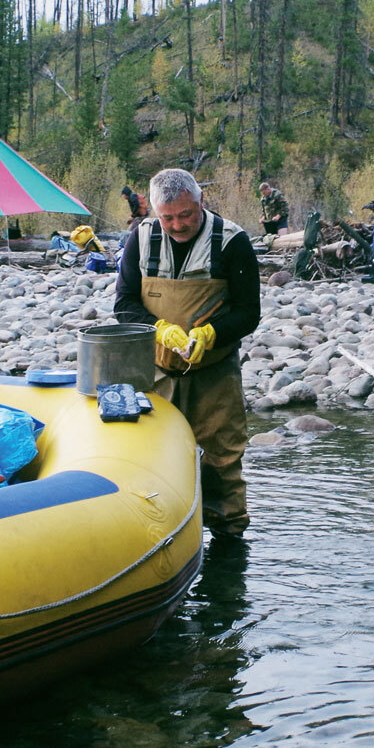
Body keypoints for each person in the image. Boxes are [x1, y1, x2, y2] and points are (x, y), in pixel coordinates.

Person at [114, 167, 261, 539]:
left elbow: (248, 312)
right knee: (150, 454)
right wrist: (159, 328)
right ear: (154, 212)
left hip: (215, 370)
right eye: (168, 218)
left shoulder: (232, 241)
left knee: (222, 457)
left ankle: (228, 538)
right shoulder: (141, 237)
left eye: (186, 215)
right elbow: (125, 304)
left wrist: (211, 333)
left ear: (201, 203)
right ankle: (159, 533)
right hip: (156, 370)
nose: (178, 225)